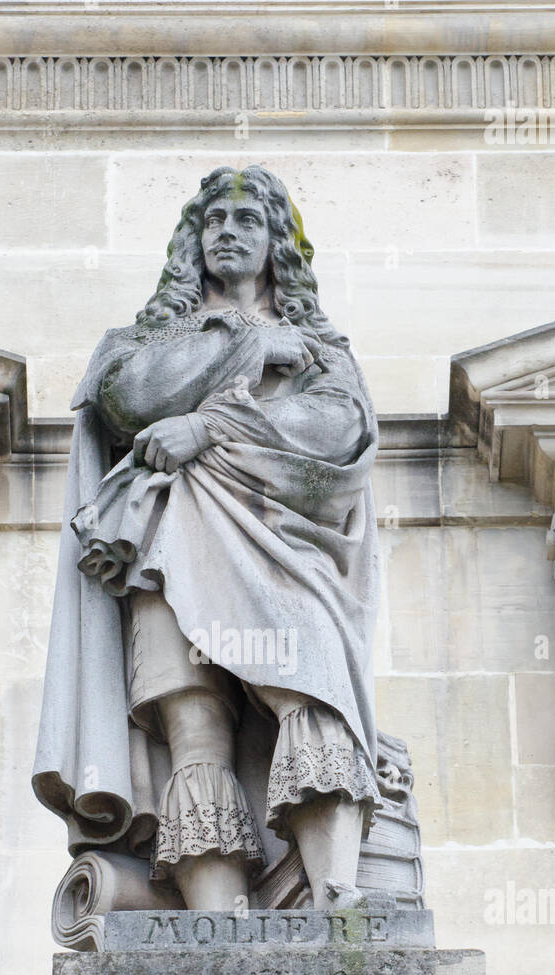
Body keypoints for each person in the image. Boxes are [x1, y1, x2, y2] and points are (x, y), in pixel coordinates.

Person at [33, 165, 382, 912]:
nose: (227, 231)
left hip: (283, 548)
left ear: (277, 245)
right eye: (213, 220)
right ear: (192, 243)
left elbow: (339, 431)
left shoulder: (320, 348)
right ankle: (213, 924)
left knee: (312, 685)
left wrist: (207, 427)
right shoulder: (150, 340)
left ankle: (338, 895)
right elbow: (132, 398)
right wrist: (247, 357)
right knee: (193, 728)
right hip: (166, 550)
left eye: (247, 219)